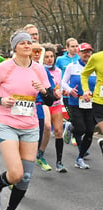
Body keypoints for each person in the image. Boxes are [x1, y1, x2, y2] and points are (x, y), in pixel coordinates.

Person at [0, 30, 54, 210]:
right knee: (16, 174)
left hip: (30, 126)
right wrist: (0, 99)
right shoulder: (5, 67)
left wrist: (43, 91)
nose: (27, 45)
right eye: (22, 43)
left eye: (29, 42)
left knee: (26, 176)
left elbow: (50, 99)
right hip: (7, 123)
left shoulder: (38, 69)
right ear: (15, 47)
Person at [62, 43, 96, 169]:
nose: (87, 54)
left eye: (89, 52)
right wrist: (70, 90)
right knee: (81, 129)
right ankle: (71, 127)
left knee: (90, 131)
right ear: (79, 53)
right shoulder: (72, 66)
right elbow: (63, 82)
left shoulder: (96, 67)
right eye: (84, 52)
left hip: (91, 103)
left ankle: (80, 158)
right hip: (75, 102)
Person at [38, 44, 66, 172]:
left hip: (56, 104)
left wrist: (62, 92)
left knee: (59, 132)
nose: (49, 59)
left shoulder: (58, 71)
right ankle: (41, 153)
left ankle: (59, 162)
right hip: (44, 103)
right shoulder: (40, 70)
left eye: (51, 56)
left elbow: (59, 86)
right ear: (42, 59)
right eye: (47, 57)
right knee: (47, 127)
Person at [81, 50, 103, 155]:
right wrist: (86, 89)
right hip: (100, 102)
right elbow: (84, 74)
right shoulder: (97, 57)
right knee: (88, 129)